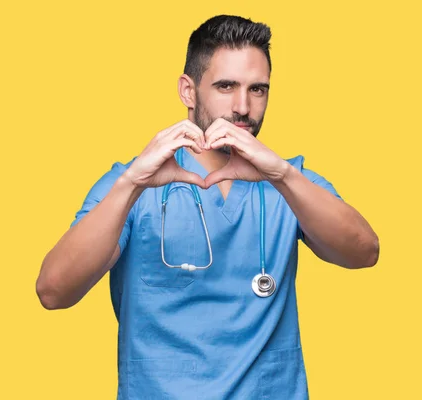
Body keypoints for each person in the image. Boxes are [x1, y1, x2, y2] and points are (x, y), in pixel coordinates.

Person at [36, 14, 379, 399]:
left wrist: (281, 175)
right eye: (226, 86)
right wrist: (132, 184)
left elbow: (364, 252)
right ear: (188, 90)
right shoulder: (132, 185)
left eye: (258, 89)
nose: (243, 107)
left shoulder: (291, 182)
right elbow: (54, 292)